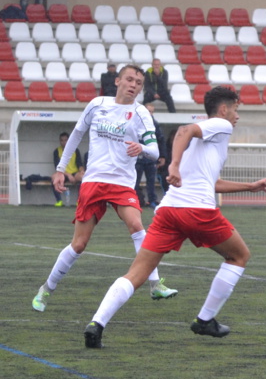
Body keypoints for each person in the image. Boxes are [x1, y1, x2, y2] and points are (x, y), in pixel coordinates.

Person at [83, 86, 266, 348]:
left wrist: (251, 187)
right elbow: (184, 130)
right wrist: (172, 165)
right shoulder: (220, 125)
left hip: (169, 210)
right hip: (197, 211)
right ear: (224, 109)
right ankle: (205, 320)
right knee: (239, 256)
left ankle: (97, 323)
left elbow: (210, 182)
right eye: (236, 110)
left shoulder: (209, 137)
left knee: (137, 273)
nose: (237, 116)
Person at [31, 64, 178, 313]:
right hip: (94, 182)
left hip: (122, 184)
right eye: (129, 80)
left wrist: (141, 148)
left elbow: (154, 151)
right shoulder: (97, 104)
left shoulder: (141, 113)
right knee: (79, 245)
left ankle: (155, 284)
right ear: (118, 81)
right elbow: (77, 134)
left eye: (139, 83)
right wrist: (60, 168)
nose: (133, 85)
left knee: (137, 226)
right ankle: (46, 288)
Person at [135, 103, 166, 208]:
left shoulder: (154, 124)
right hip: (137, 158)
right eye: (148, 111)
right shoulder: (136, 121)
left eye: (152, 111)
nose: (150, 113)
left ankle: (152, 200)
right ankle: (135, 200)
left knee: (151, 181)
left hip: (150, 159)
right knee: (135, 181)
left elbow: (160, 140)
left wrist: (162, 156)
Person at [52, 132, 85, 207]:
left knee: (83, 177)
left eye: (66, 140)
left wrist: (82, 171)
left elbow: (79, 164)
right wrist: (68, 175)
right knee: (54, 178)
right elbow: (57, 166)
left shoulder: (75, 150)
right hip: (63, 173)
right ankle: (59, 201)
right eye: (62, 140)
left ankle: (79, 200)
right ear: (59, 141)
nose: (64, 142)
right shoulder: (56, 151)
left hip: (74, 173)